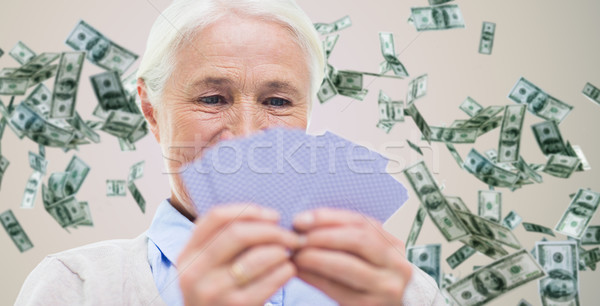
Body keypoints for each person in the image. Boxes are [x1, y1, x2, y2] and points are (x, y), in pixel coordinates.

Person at [16, 0, 445, 305]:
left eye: (277, 102)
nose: (245, 136)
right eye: (212, 99)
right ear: (150, 110)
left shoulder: (405, 293)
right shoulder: (77, 288)